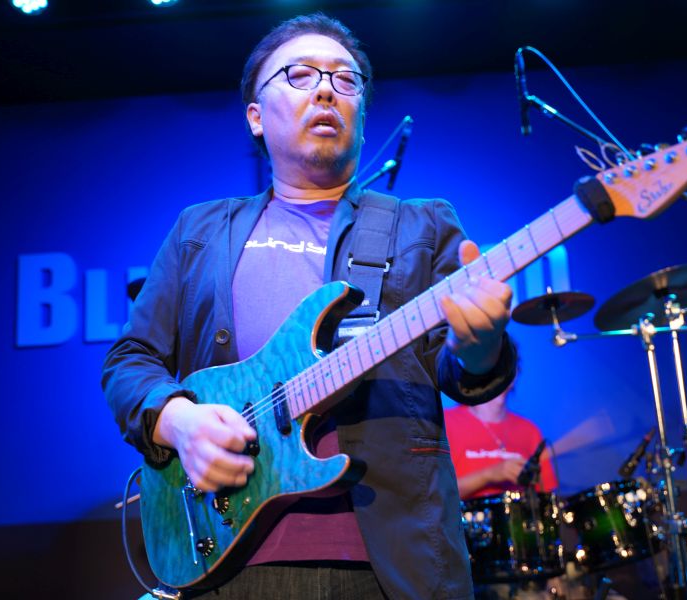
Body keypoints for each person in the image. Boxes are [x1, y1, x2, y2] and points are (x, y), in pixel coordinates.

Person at [102, 13, 517, 600]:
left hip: (393, 564)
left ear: (361, 116)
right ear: (255, 116)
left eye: (345, 80)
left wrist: (480, 346)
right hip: (226, 560)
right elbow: (130, 360)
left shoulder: (421, 226)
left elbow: (461, 371)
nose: (326, 90)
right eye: (300, 75)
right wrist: (178, 421)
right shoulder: (200, 230)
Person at [445, 376, 557, 501]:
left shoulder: (530, 431)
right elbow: (434, 494)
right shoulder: (444, 423)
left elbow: (545, 496)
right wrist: (489, 475)